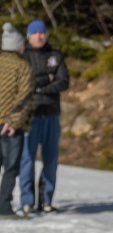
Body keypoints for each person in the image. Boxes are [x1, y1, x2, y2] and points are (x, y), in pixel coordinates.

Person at [18, 20, 67, 216]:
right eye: (35, 33)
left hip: (52, 114)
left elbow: (63, 81)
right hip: (31, 115)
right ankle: (27, 200)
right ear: (29, 36)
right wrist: (46, 79)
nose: (39, 36)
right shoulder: (23, 57)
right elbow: (25, 84)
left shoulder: (55, 56)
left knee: (51, 159)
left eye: (42, 33)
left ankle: (46, 200)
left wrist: (41, 86)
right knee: (27, 159)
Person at [0, 22, 33, 221]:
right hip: (9, 127)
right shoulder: (23, 67)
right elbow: (25, 98)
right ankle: (3, 206)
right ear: (18, 46)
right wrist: (13, 121)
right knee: (10, 167)